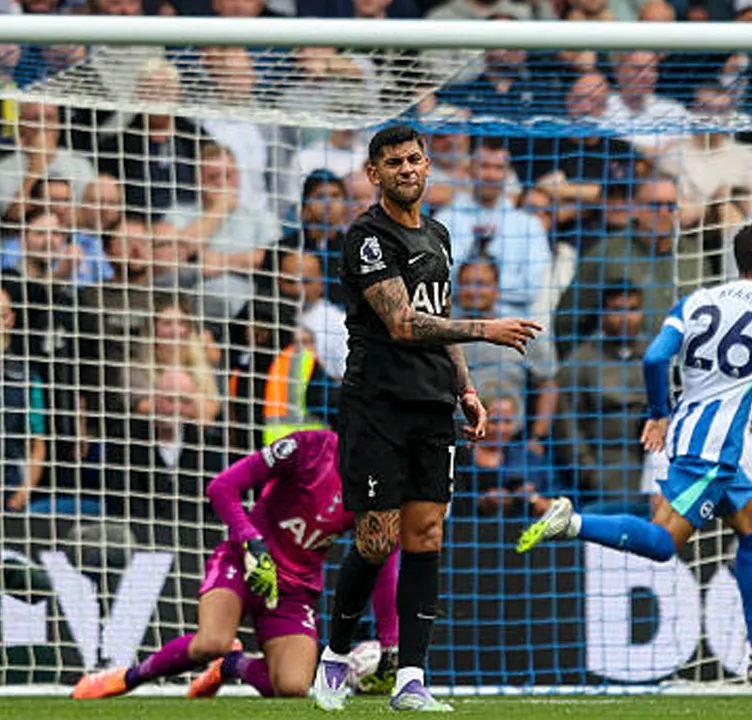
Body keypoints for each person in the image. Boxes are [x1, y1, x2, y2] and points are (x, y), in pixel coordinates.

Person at [516, 222, 752, 684]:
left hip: (694, 439)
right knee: (663, 544)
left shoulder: (697, 300)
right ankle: (571, 521)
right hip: (711, 452)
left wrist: (658, 412)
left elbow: (653, 359)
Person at [311, 124, 541, 712]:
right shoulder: (366, 237)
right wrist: (487, 329)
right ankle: (334, 658)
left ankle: (411, 679)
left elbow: (437, 315)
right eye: (393, 162)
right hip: (377, 406)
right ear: (374, 174)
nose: (407, 169)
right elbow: (404, 323)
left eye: (414, 158)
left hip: (433, 404)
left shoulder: (437, 234)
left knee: (426, 535)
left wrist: (466, 386)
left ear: (427, 164)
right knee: (376, 537)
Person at [71, 431, 399, 700]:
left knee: (292, 687)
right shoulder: (309, 447)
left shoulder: (379, 495)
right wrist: (250, 540)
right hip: (244, 562)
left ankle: (232, 665)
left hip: (295, 590)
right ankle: (126, 678)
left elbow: (384, 563)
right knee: (211, 641)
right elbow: (222, 486)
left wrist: (390, 641)